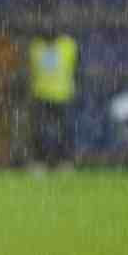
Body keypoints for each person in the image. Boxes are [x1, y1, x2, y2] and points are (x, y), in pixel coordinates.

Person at [26, 28, 79, 169]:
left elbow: (78, 68)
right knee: (38, 131)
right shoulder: (36, 46)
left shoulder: (68, 45)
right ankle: (39, 161)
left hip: (63, 94)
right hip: (41, 94)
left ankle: (64, 161)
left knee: (65, 131)